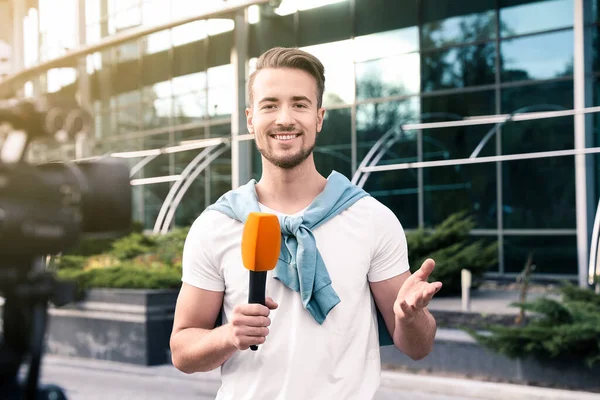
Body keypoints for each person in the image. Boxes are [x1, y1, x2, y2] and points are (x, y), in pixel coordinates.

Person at [170, 46, 442, 399]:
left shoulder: (371, 219)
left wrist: (409, 317)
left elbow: (418, 347)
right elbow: (182, 350)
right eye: (270, 105)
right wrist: (228, 335)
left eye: (299, 104)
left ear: (319, 117)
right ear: (251, 119)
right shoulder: (216, 225)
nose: (285, 118)